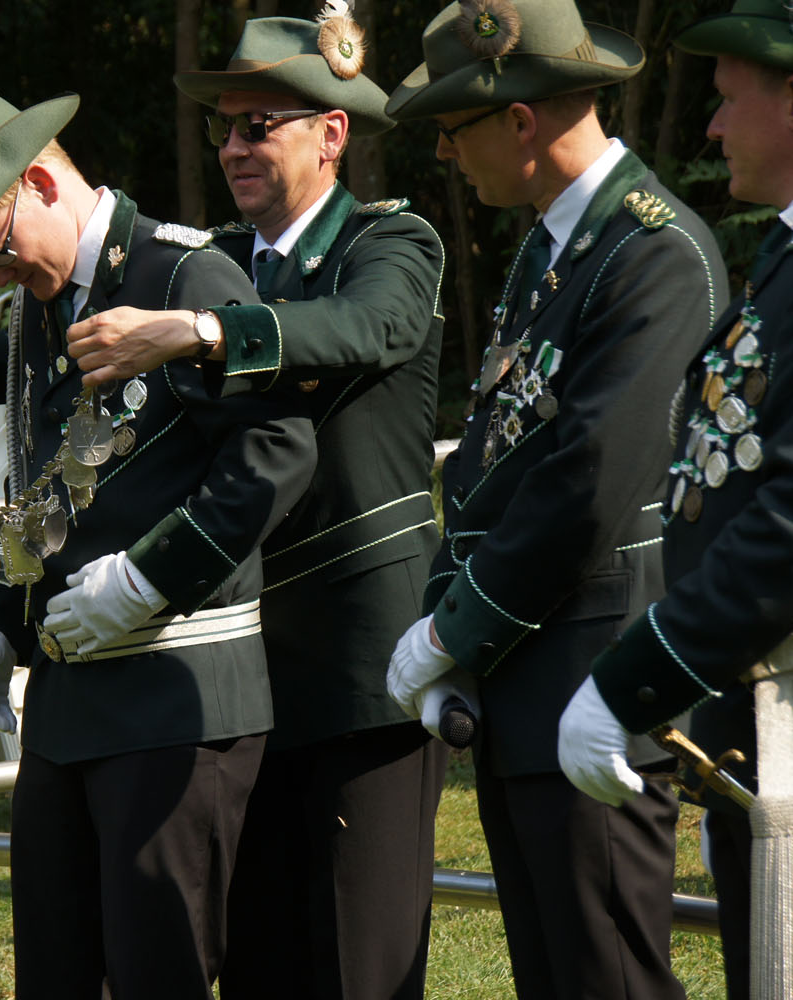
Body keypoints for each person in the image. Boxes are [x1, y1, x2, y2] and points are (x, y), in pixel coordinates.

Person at [0, 82, 317, 999]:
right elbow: (40, 477)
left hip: (178, 694)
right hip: (68, 706)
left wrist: (151, 579)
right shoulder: (39, 302)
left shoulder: (181, 278)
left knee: (157, 976)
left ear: (43, 185)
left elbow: (276, 453)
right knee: (55, 974)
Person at [67, 15, 447, 998]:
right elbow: (94, 336)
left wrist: (199, 330)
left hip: (359, 668)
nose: (234, 147)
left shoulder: (390, 241)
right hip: (243, 677)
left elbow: (367, 325)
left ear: (332, 134)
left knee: (359, 965)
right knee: (258, 964)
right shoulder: (223, 257)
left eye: (258, 126)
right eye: (224, 129)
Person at [380, 0, 729, 996]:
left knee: (604, 976)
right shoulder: (555, 246)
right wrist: (454, 630)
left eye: (454, 130)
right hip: (529, 685)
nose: (445, 154)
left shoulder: (653, 251)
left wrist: (456, 629)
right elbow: (491, 461)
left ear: (521, 121)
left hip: (593, 684)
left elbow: (589, 479)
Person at [554, 3, 793, 997]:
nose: (712, 125)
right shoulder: (781, 259)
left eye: (730, 100)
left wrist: (635, 679)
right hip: (756, 711)